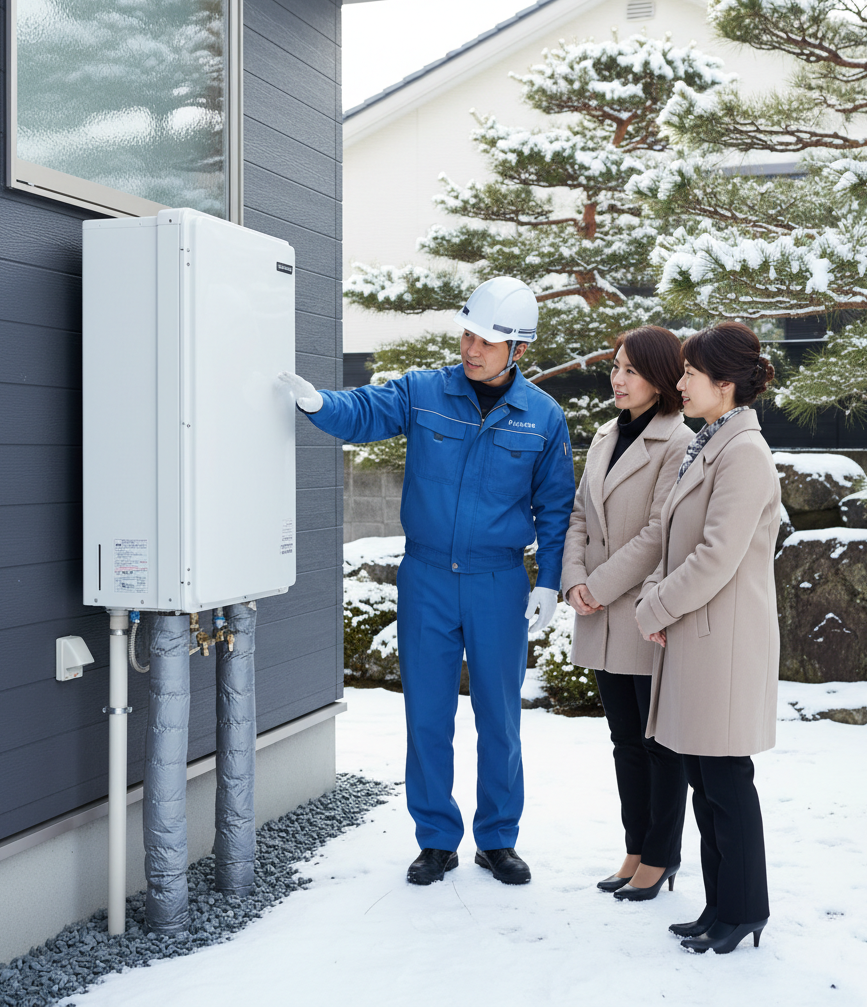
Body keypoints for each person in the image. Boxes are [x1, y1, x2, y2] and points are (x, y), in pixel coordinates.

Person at [279, 277, 575, 887]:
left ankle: (498, 839)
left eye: (487, 341)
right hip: (427, 578)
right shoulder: (424, 391)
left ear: (518, 349)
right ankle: (436, 840)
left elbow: (555, 507)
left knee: (500, 719)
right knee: (427, 716)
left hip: (498, 582)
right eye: (468, 335)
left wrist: (549, 580)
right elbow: (365, 411)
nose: (472, 348)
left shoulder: (543, 417)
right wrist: (319, 405)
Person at [635, 321, 780, 954]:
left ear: (724, 384)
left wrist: (655, 606)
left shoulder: (744, 453)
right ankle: (719, 905)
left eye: (691, 374)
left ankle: (744, 909)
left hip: (724, 642)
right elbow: (674, 540)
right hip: (698, 634)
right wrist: (656, 598)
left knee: (726, 781)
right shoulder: (711, 443)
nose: (681, 383)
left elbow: (716, 555)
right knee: (705, 779)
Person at [561, 326, 693, 902]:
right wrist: (572, 580)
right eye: (615, 367)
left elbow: (660, 532)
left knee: (658, 744)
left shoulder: (679, 441)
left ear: (659, 379)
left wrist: (598, 585)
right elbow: (579, 516)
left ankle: (661, 856)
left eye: (631, 370)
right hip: (598, 611)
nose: (617, 378)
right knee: (624, 741)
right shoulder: (604, 435)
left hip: (642, 610)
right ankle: (635, 848)